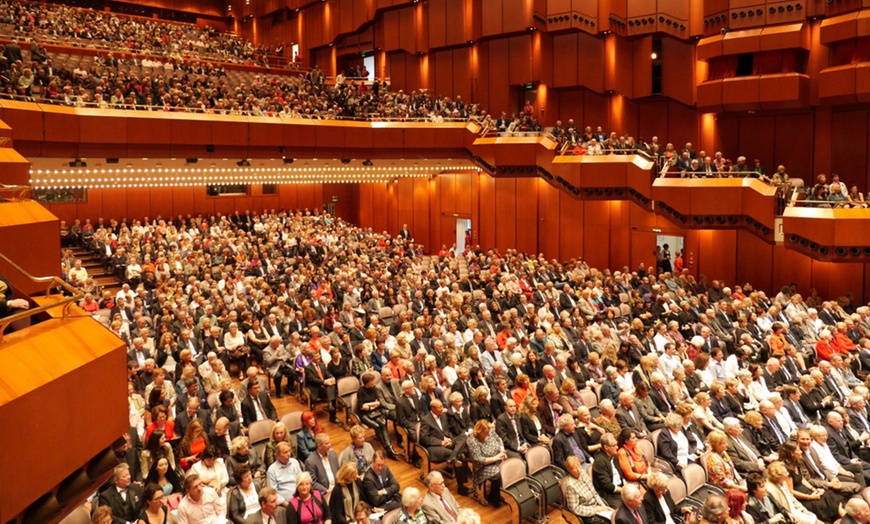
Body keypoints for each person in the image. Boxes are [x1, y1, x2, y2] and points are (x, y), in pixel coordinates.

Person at [466, 420, 506, 507]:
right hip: (483, 466)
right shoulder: (473, 440)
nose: (488, 435)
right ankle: (495, 498)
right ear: (479, 432)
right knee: (497, 476)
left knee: (508, 468)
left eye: (488, 433)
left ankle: (496, 493)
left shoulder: (490, 431)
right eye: (485, 433)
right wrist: (496, 457)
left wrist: (502, 449)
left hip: (498, 458)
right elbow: (478, 459)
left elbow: (499, 439)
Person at [562, 455, 613, 524]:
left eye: (579, 466)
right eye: (574, 468)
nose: (578, 470)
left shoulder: (583, 473)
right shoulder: (570, 485)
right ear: (569, 470)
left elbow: (594, 493)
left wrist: (603, 506)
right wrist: (595, 510)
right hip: (587, 513)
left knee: (614, 515)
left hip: (597, 507)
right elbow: (575, 509)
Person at [592, 433, 625, 508]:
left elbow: (620, 474)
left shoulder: (615, 456)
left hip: (619, 488)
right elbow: (607, 485)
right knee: (623, 510)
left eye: (616, 444)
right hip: (609, 494)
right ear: (606, 447)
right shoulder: (600, 461)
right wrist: (623, 490)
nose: (617, 447)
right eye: (614, 446)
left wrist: (625, 486)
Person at [305, 433, 340, 498]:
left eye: (329, 442)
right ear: (319, 446)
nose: (330, 445)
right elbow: (312, 482)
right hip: (324, 493)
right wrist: (326, 491)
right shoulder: (310, 461)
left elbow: (339, 471)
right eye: (327, 443)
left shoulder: (333, 454)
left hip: (337, 489)